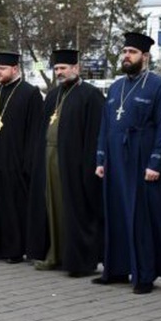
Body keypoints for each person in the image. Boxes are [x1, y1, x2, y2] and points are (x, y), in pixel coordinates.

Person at [94, 32, 161, 294]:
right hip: (115, 160)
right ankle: (116, 269)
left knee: (140, 217)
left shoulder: (158, 86)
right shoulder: (116, 86)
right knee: (116, 212)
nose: (126, 56)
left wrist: (155, 162)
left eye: (132, 52)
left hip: (142, 161)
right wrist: (101, 157)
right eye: (124, 51)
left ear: (145, 56)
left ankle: (144, 275)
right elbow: (106, 124)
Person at [32, 50, 105, 276]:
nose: (59, 72)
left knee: (72, 210)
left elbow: (95, 134)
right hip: (50, 158)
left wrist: (89, 164)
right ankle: (55, 254)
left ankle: (79, 260)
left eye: (63, 68)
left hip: (75, 164)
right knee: (51, 207)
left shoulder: (91, 95)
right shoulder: (53, 95)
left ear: (76, 68)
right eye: (56, 69)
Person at [0, 52, 46, 263]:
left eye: (3, 68)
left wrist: (29, 162)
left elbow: (35, 131)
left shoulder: (30, 93)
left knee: (14, 209)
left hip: (17, 163)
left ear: (15, 69)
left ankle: (15, 250)